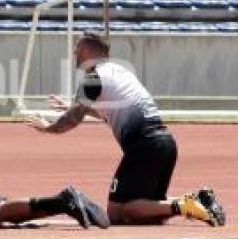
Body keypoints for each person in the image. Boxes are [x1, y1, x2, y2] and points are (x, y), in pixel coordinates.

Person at [25, 32, 226, 227]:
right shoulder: (118, 71)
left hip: (144, 145)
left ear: (87, 50)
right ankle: (198, 200)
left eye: (77, 49)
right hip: (164, 144)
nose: (74, 54)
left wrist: (49, 127)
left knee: (117, 211)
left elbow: (71, 120)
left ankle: (183, 205)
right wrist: (74, 107)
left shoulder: (94, 77)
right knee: (147, 213)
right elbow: (108, 112)